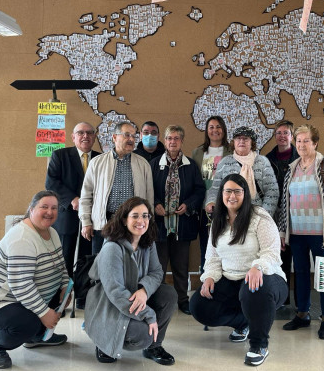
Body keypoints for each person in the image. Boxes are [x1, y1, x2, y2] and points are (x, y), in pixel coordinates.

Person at [190, 174, 287, 367]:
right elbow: (213, 256)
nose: (232, 196)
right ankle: (244, 323)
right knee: (199, 305)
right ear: (222, 194)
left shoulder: (259, 216)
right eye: (228, 191)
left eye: (237, 191)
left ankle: (259, 345)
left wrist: (257, 266)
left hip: (266, 278)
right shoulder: (218, 220)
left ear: (245, 194)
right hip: (231, 279)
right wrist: (209, 277)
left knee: (253, 288)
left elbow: (272, 251)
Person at [0, 190, 71, 369]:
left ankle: (36, 337)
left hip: (18, 297)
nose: (50, 212)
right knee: (27, 324)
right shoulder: (22, 238)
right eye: (44, 207)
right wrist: (44, 314)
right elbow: (21, 285)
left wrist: (64, 287)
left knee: (54, 298)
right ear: (31, 209)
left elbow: (60, 265)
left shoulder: (52, 232)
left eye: (54, 208)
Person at [84, 197, 177, 366]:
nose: (141, 221)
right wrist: (149, 315)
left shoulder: (147, 242)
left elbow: (156, 272)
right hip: (108, 305)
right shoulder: (112, 247)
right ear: (124, 219)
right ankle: (103, 342)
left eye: (145, 216)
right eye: (135, 216)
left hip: (134, 296)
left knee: (168, 294)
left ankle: (154, 347)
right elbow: (116, 294)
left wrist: (144, 290)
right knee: (143, 335)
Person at [278, 124, 324, 340]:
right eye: (298, 141)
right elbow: (284, 202)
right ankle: (302, 313)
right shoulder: (292, 168)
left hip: (321, 233)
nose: (301, 144)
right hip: (297, 232)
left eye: (306, 141)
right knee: (299, 273)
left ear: (315, 143)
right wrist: (282, 232)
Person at [151, 125, 205, 314]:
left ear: (182, 141)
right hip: (159, 226)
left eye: (176, 138)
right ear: (165, 141)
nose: (172, 142)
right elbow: (147, 190)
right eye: (169, 138)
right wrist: (155, 204)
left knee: (181, 266)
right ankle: (157, 299)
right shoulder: (154, 164)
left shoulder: (190, 166)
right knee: (157, 267)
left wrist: (189, 205)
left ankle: (182, 299)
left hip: (182, 225)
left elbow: (200, 191)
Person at [79, 121, 154, 254]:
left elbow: (149, 198)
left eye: (133, 136)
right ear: (114, 137)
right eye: (126, 135)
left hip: (134, 224)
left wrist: (147, 222)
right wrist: (86, 222)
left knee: (131, 265)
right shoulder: (97, 163)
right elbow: (86, 195)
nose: (131, 139)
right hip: (104, 223)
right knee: (101, 265)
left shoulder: (143, 164)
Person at [45, 122, 100, 285]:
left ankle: (82, 296)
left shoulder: (101, 158)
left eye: (89, 133)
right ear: (73, 137)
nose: (85, 136)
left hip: (92, 218)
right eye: (81, 133)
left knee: (86, 258)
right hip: (67, 216)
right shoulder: (60, 155)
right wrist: (72, 199)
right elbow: (51, 183)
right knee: (63, 259)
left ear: (94, 137)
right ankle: (60, 298)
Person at [205, 126, 278, 218]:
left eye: (246, 139)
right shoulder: (224, 162)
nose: (241, 141)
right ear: (233, 142)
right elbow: (215, 189)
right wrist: (211, 202)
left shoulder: (262, 162)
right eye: (238, 138)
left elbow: (272, 191)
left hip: (257, 215)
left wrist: (264, 215)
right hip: (231, 216)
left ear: (252, 142)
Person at [265, 119, 299, 305]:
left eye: (286, 133)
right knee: (279, 258)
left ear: (292, 136)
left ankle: (300, 303)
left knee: (297, 258)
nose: (282, 136)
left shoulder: (300, 157)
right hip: (274, 215)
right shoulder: (267, 159)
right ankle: (281, 300)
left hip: (297, 216)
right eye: (278, 132)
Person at [191, 115, 231, 272]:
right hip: (204, 208)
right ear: (207, 131)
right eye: (211, 127)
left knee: (225, 245)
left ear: (224, 130)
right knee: (206, 246)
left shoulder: (232, 151)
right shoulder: (197, 153)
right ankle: (205, 279)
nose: (215, 130)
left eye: (218, 127)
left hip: (226, 205)